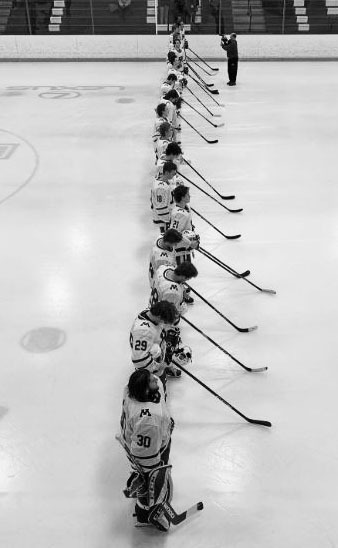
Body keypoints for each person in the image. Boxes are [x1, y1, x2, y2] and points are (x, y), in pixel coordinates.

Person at [119, 369, 174, 531]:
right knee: (150, 481)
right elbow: (145, 454)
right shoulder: (149, 421)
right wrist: (149, 472)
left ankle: (140, 481)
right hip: (145, 450)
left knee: (144, 474)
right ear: (145, 390)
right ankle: (145, 515)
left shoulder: (130, 390)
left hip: (137, 440)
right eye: (152, 381)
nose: (157, 381)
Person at [129, 300, 180, 379]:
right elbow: (140, 361)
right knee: (160, 388)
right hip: (149, 371)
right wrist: (159, 367)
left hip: (156, 357)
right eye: (164, 321)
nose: (165, 323)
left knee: (157, 349)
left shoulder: (149, 313)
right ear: (159, 317)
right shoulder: (144, 331)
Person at [151, 160, 177, 233]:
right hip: (163, 220)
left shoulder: (164, 182)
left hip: (165, 217)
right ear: (166, 172)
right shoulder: (160, 188)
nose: (174, 176)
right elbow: (160, 206)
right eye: (173, 173)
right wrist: (169, 220)